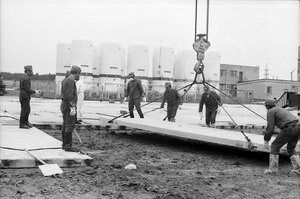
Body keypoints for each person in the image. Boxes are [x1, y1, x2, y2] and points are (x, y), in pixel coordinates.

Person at [263, 98, 300, 175]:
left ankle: (272, 170)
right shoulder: (280, 109)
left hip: (289, 128)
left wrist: (266, 140)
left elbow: (270, 128)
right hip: (297, 127)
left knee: (274, 146)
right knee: (291, 149)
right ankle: (298, 169)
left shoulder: (270, 111)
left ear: (267, 106)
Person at [60, 65, 81, 152]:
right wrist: (72, 107)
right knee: (70, 125)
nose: (79, 76)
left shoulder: (65, 79)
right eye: (79, 74)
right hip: (69, 105)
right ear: (77, 73)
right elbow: (70, 95)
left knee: (65, 124)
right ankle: (68, 146)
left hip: (64, 104)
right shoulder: (71, 81)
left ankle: (64, 144)